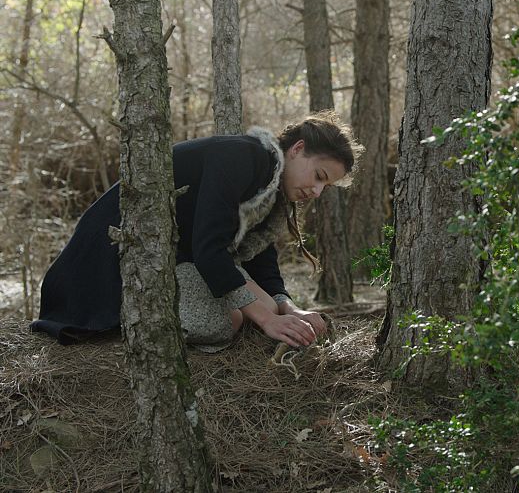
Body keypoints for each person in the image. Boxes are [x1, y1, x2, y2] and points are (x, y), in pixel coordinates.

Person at [31, 110, 363, 352]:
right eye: (319, 176)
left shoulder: (272, 191)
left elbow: (261, 260)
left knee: (265, 307)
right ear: (297, 149)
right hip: (111, 260)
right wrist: (266, 320)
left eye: (326, 187)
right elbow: (209, 248)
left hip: (172, 256)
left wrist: (288, 308)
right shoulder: (243, 157)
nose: (317, 192)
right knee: (229, 321)